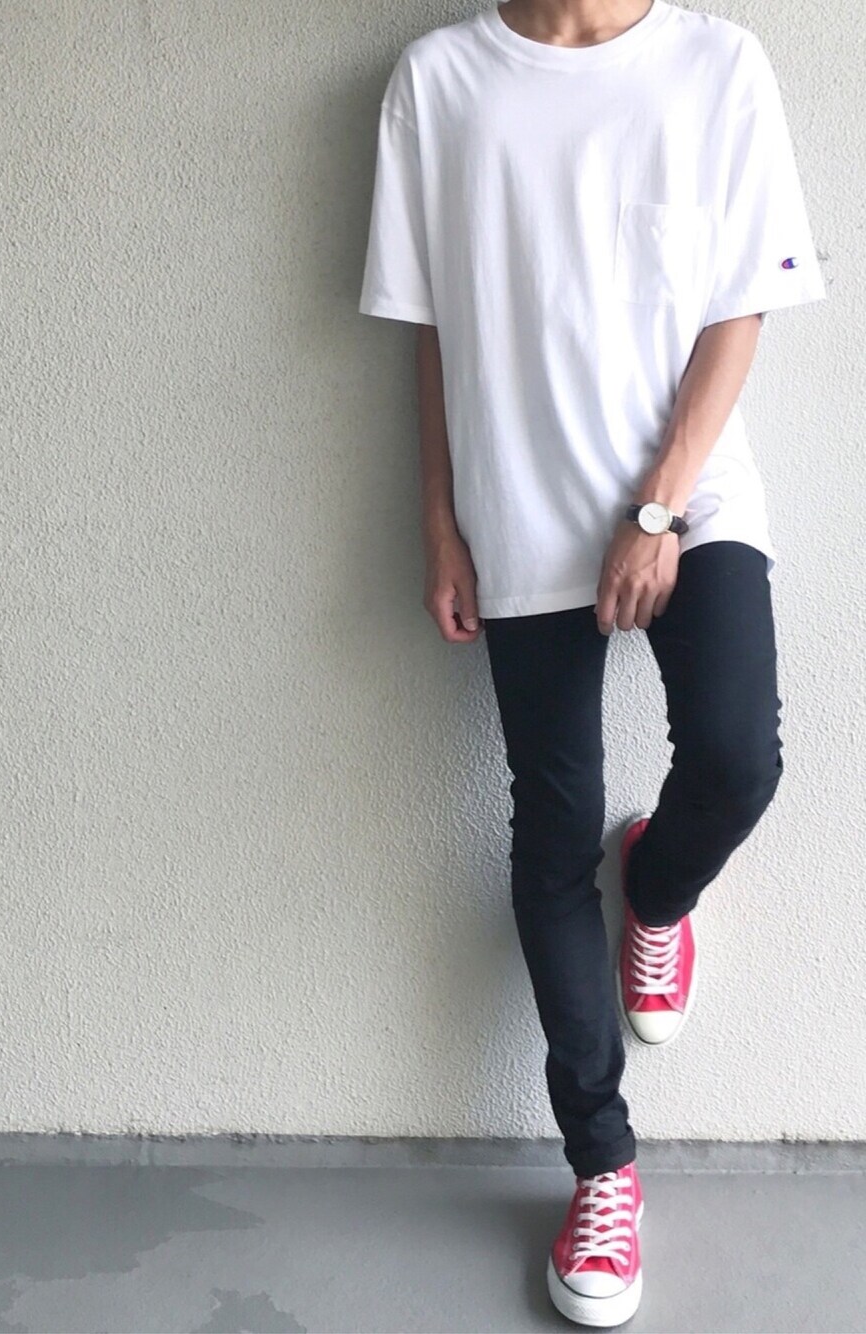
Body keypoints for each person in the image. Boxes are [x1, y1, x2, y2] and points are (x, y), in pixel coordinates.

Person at [358, 0, 827, 1325]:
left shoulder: (717, 64)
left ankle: (659, 887)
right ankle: (602, 1168)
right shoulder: (438, 82)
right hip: (517, 507)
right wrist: (439, 520)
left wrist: (658, 506)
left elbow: (741, 304)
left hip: (691, 492)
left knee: (737, 758)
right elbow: (431, 327)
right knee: (552, 829)